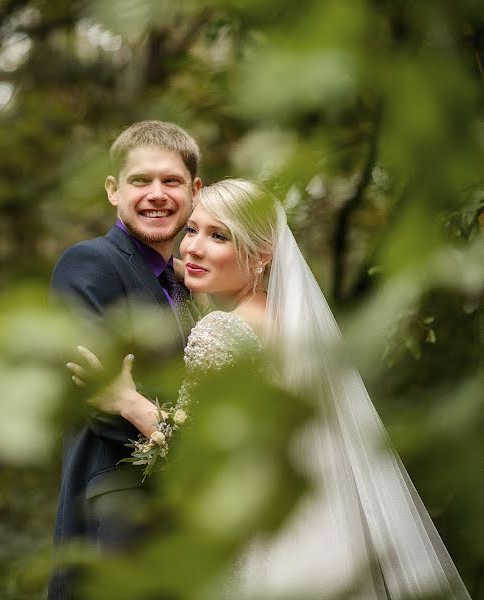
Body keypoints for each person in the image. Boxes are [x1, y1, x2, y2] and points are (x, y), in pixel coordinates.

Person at [69, 178, 471, 598]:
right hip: (321, 528)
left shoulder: (222, 330)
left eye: (218, 236)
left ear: (261, 256)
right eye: (192, 230)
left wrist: (126, 400)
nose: (193, 248)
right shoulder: (290, 324)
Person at [47, 120, 203, 599]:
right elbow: (100, 402)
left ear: (195, 191)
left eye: (171, 181)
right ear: (114, 190)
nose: (156, 194)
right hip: (119, 509)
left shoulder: (192, 285)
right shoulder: (90, 263)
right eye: (141, 180)